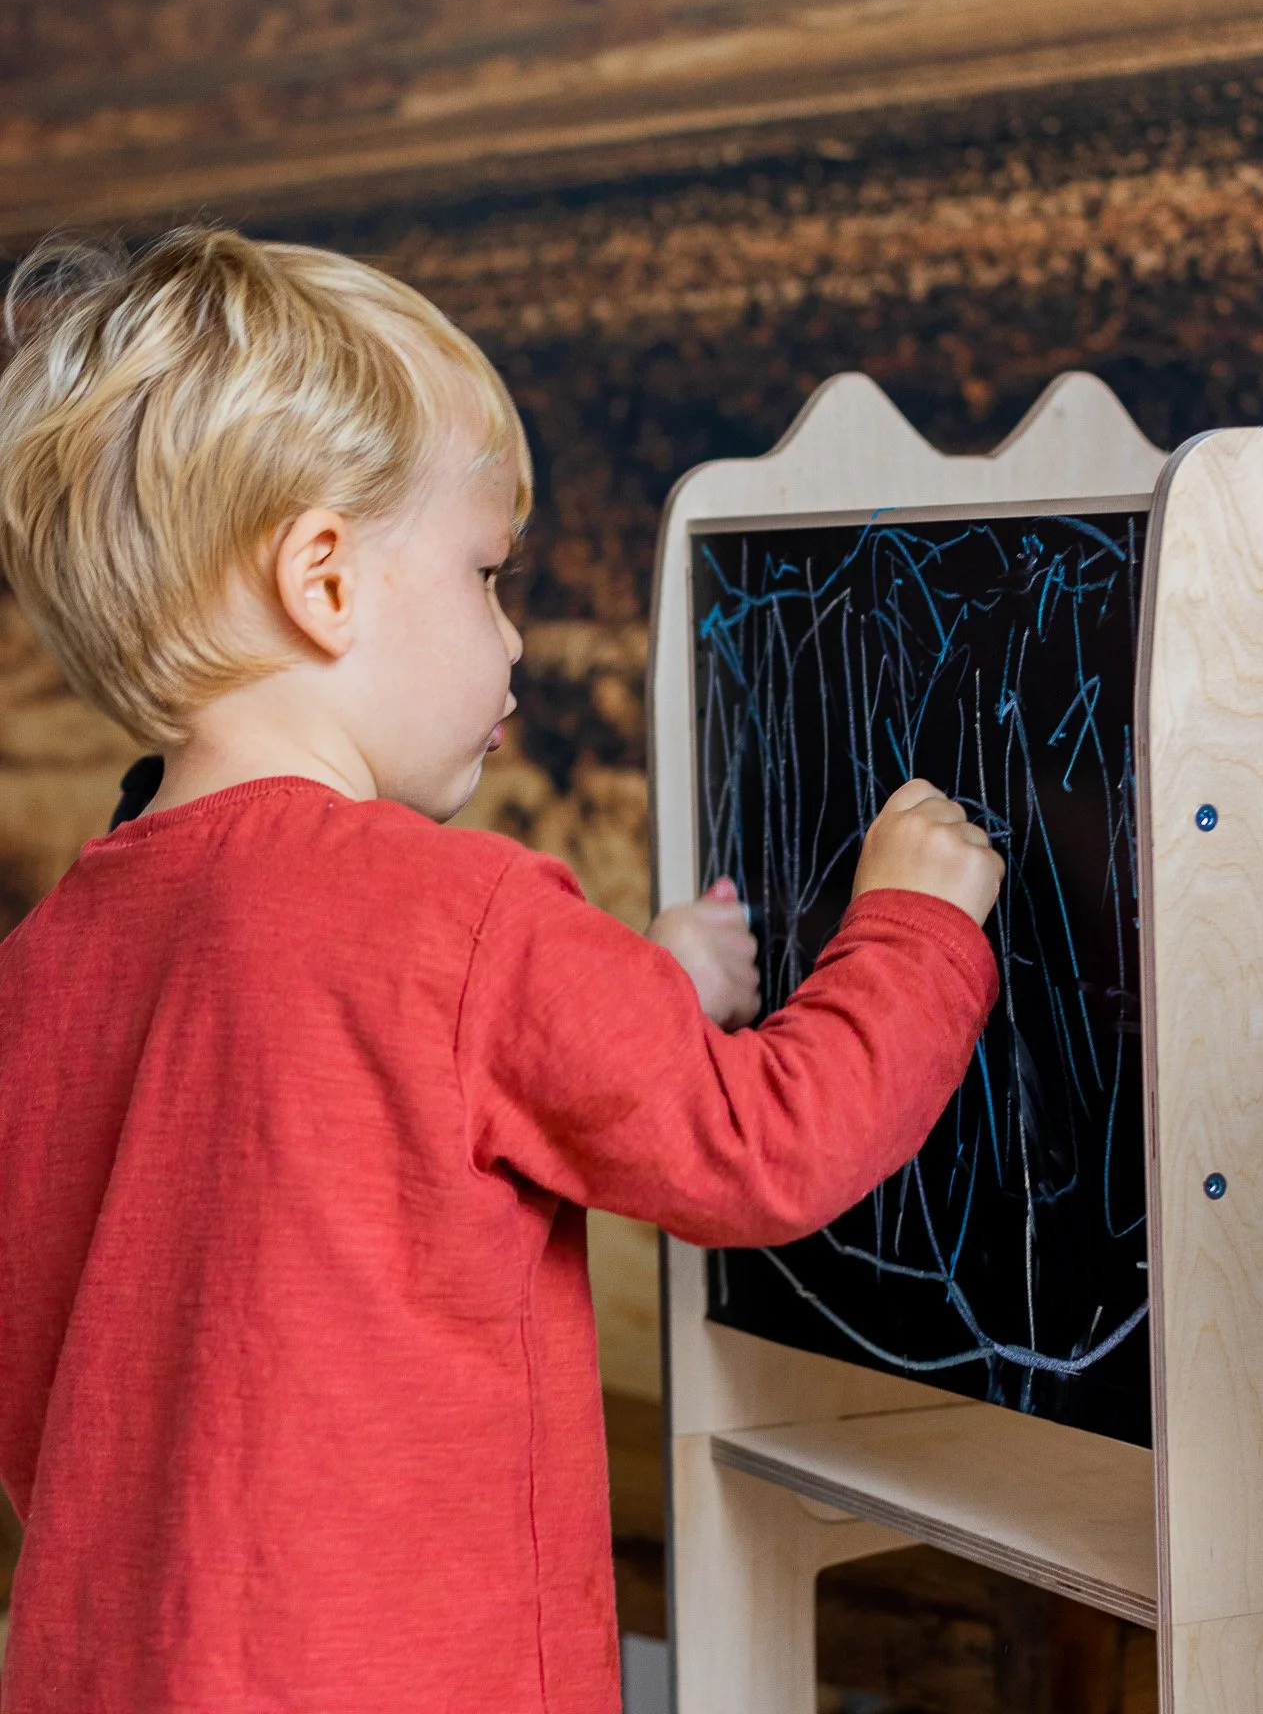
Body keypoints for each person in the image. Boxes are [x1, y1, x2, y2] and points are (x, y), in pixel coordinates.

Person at [0, 229, 1003, 1714]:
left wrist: (644, 980)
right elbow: (757, 1143)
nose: (519, 638)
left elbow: (345, 1115)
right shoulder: (455, 914)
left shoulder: (45, 964)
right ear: (325, 579)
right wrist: (917, 928)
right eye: (485, 574)